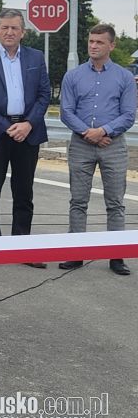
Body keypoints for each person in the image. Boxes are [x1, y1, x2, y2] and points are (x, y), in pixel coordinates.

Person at [0, 9, 51, 268]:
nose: (9, 32)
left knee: (24, 193)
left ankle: (22, 249)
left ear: (23, 32)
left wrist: (28, 124)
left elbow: (44, 94)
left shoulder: (36, 57)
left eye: (14, 28)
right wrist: (6, 127)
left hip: (28, 132)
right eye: (4, 27)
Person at [58, 23, 136, 275]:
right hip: (81, 145)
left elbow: (128, 115)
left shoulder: (124, 77)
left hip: (113, 145)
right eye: (91, 41)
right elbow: (66, 112)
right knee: (78, 201)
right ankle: (75, 253)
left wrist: (102, 131)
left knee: (115, 203)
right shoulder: (73, 76)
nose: (93, 46)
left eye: (99, 42)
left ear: (111, 45)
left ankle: (116, 256)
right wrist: (88, 133)